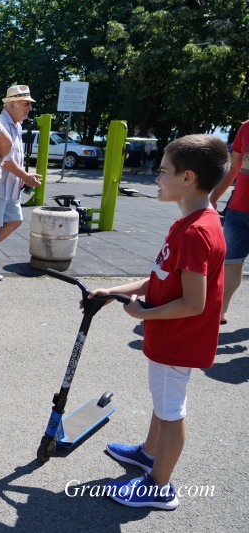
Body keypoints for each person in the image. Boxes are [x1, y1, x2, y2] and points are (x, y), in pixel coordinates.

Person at [89, 134, 229, 510]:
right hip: (168, 336)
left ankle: (160, 486)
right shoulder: (188, 223)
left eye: (163, 171)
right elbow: (160, 277)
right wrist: (113, 290)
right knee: (163, 402)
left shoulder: (197, 231)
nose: (156, 177)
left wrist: (143, 313)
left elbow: (194, 302)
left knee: (171, 412)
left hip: (178, 339)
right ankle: (149, 454)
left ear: (187, 177)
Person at [0, 85, 43, 277]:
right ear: (11, 105)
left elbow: (15, 157)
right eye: (25, 103)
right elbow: (7, 160)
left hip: (11, 188)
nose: (29, 108)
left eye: (29, 104)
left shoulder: (16, 125)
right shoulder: (2, 123)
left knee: (15, 220)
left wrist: (24, 177)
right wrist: (26, 177)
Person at [209, 118, 249, 325]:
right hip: (238, 209)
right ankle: (221, 310)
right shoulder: (246, 127)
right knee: (230, 262)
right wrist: (213, 198)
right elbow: (233, 167)